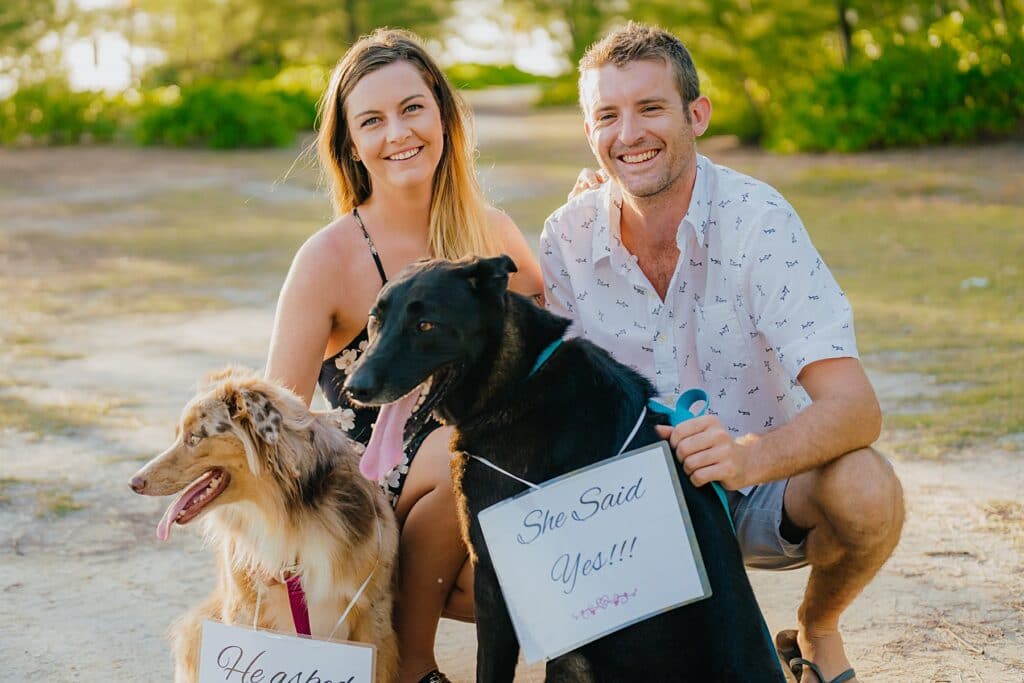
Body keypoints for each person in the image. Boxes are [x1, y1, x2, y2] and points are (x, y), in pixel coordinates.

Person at [540, 22, 904, 683]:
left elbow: (857, 409)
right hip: (632, 507)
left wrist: (746, 456)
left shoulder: (759, 222)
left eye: (650, 108)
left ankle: (817, 628)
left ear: (696, 114)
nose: (629, 134)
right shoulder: (565, 237)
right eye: (608, 116)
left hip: (760, 484)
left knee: (868, 488)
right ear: (589, 131)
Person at [265, 29, 543, 683]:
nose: (398, 132)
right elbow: (278, 413)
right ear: (351, 145)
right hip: (376, 492)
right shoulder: (329, 257)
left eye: (413, 108)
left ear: (444, 114)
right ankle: (411, 665)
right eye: (372, 120)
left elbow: (550, 348)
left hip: (490, 493)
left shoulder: (493, 233)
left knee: (531, 566)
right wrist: (277, 545)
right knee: (457, 449)